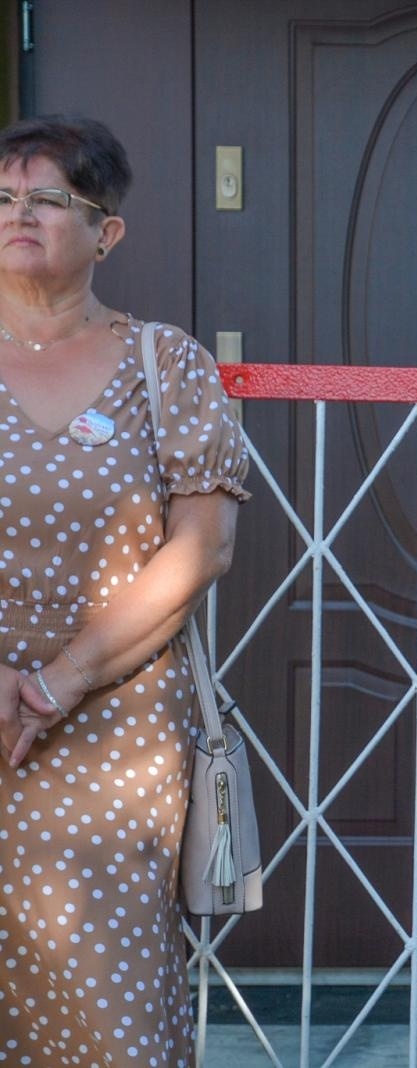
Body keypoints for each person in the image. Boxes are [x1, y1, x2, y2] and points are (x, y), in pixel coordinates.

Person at [0, 116, 248, 1064]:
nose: (20, 214)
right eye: (4, 197)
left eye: (47, 198)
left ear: (106, 232)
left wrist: (58, 680)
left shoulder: (165, 363)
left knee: (115, 1009)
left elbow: (203, 547)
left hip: (118, 734)